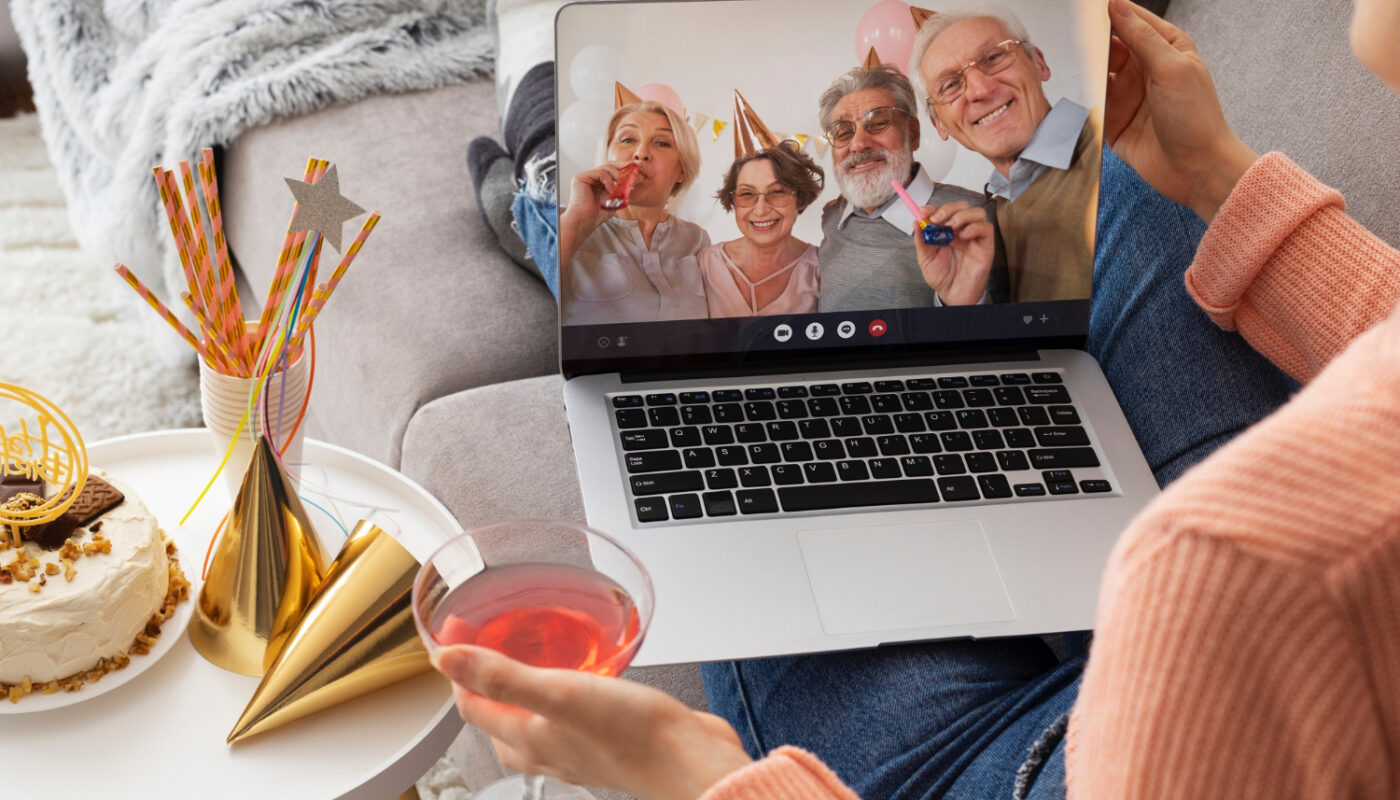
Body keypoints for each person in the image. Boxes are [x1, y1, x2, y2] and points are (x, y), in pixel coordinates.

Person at [431, 0, 1400, 797]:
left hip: (1070, 755)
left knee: (654, 325)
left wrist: (701, 778)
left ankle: (543, 182)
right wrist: (1209, 168)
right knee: (1111, 178)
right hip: (1232, 634)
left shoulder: (1221, 570)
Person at [911, 9, 1100, 303]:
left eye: (994, 58)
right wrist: (964, 304)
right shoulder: (992, 212)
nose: (980, 90)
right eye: (949, 85)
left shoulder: (1122, 139)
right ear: (939, 125)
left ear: (1039, 63)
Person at [815, 64, 1001, 311]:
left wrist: (960, 303)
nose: (858, 144)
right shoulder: (832, 218)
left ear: (913, 133)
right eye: (842, 132)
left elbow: (1000, 334)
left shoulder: (975, 214)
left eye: (879, 122)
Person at [558, 100, 709, 325]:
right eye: (628, 139)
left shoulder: (697, 239)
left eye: (661, 143)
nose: (641, 153)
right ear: (606, 156)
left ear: (682, 172)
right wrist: (577, 222)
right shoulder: (564, 222)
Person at [699, 142, 825, 317]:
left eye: (777, 192)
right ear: (733, 201)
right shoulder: (704, 265)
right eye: (746, 194)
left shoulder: (823, 269)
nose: (761, 210)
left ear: (800, 198)